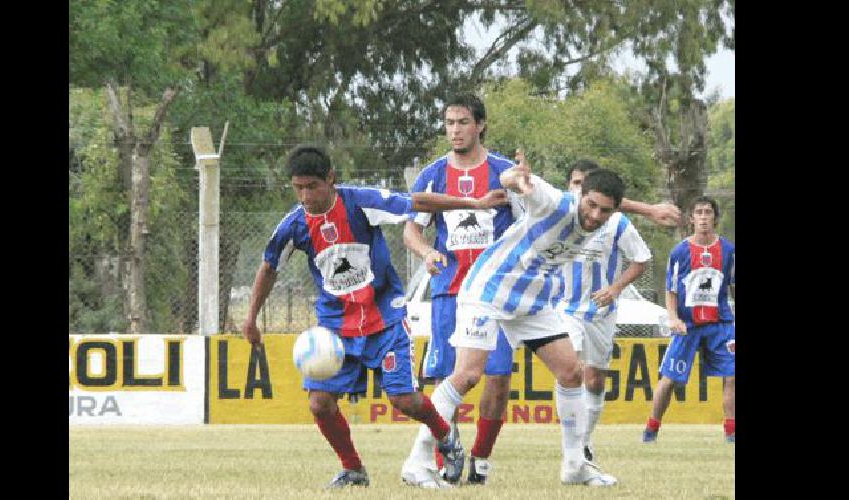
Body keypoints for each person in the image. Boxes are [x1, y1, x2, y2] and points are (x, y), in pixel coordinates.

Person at [242, 145, 508, 489]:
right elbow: (268, 267)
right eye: (298, 188)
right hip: (336, 327)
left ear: (331, 180)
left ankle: (446, 438)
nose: (306, 196)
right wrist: (251, 318)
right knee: (320, 403)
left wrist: (474, 203)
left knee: (403, 400)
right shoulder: (295, 224)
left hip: (384, 319)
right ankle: (353, 469)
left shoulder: (361, 202)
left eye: (312, 186)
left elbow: (419, 202)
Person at [424, 150, 632, 487]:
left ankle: (575, 465)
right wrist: (517, 178)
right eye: (590, 205)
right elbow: (511, 181)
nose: (595, 216)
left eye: (604, 210)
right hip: (490, 289)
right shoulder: (553, 201)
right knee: (467, 375)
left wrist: (650, 209)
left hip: (531, 298)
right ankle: (419, 461)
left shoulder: (604, 217)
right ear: (579, 195)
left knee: (571, 372)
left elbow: (618, 207)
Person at [401, 93, 519, 488]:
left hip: (495, 293)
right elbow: (411, 230)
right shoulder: (432, 175)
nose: (455, 130)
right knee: (446, 376)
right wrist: (427, 251)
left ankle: (480, 461)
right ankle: (445, 458)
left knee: (497, 378)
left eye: (463, 122)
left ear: (481, 125)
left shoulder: (504, 172)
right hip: (449, 290)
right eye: (449, 123)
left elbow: (528, 223)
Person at [553, 160, 661, 470]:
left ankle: (584, 442)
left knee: (595, 380)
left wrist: (614, 289)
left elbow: (641, 260)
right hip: (565, 307)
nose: (579, 188)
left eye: (583, 182)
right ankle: (572, 449)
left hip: (601, 312)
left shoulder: (617, 223)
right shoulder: (561, 215)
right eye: (575, 183)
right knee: (571, 370)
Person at [643, 196, 735, 444]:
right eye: (699, 213)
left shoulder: (728, 251)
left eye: (708, 212)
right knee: (670, 379)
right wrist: (673, 317)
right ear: (691, 218)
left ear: (715, 217)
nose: (703, 217)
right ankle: (651, 428)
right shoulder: (680, 251)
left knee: (732, 374)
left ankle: (731, 432)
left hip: (721, 324)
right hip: (688, 325)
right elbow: (671, 290)